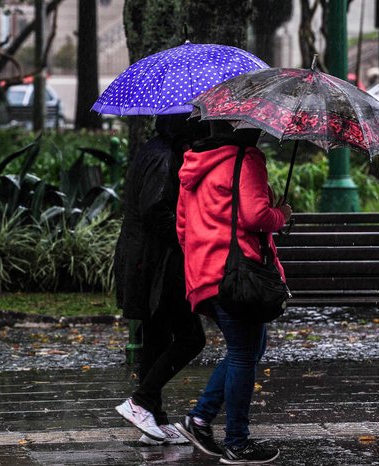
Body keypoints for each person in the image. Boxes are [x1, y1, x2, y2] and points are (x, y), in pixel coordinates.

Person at [174, 121, 291, 464]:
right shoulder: (246, 158)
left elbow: (183, 227)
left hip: (204, 274)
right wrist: (281, 213)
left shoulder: (194, 162)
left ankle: (199, 419)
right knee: (243, 353)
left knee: (252, 346)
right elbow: (256, 216)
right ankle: (237, 442)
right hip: (236, 276)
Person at [114, 114, 209, 445]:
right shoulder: (164, 156)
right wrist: (187, 237)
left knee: (156, 339)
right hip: (157, 264)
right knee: (191, 337)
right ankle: (141, 401)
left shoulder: (154, 149)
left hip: (148, 261)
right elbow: (154, 209)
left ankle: (153, 418)